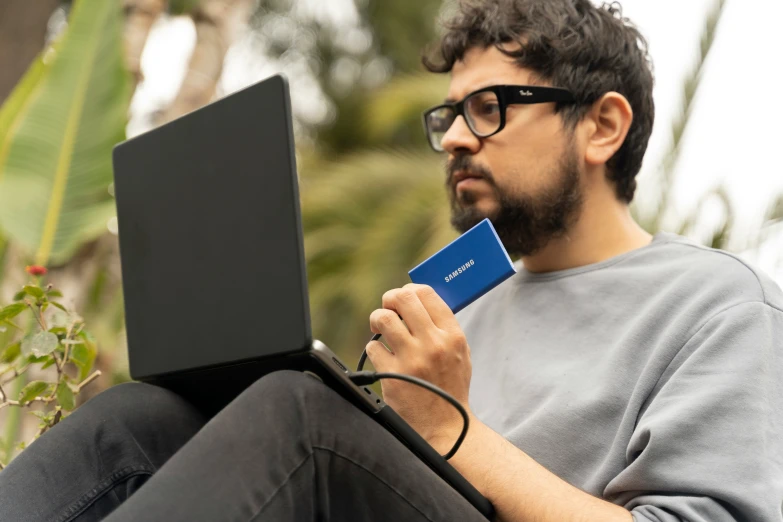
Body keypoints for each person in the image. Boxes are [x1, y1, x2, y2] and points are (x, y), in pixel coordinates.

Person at [2, 0, 782, 520]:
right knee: (142, 420)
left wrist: (451, 432)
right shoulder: (460, 293)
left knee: (300, 418)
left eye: (489, 108)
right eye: (448, 114)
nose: (452, 138)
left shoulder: (718, 306)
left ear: (602, 126)